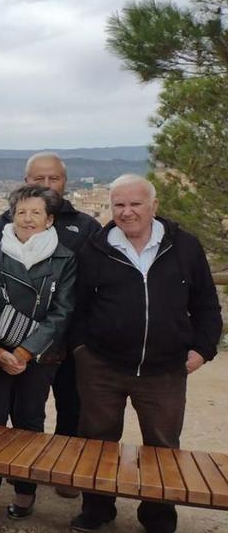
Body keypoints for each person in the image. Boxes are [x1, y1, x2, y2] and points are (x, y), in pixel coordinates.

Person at [67, 174, 222, 533]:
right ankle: (98, 509)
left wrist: (203, 348)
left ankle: (158, 516)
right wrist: (81, 351)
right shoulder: (94, 248)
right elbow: (78, 307)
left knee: (163, 445)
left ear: (154, 205)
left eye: (135, 203)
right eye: (119, 204)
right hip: (102, 365)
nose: (127, 212)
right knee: (98, 439)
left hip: (165, 369)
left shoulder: (184, 246)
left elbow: (206, 305)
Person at [0, 154, 99, 497]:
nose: (47, 185)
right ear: (26, 181)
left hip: (63, 340)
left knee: (62, 410)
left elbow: (88, 287)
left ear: (65, 181)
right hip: (4, 342)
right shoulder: (2, 227)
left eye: (55, 179)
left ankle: (58, 478)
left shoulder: (85, 225)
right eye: (39, 179)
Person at [0, 185, 76, 519]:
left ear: (50, 219)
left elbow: (62, 312)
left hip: (39, 356)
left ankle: (25, 489)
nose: (28, 219)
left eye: (36, 212)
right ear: (11, 216)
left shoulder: (64, 258)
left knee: (29, 420)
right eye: (21, 212)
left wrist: (25, 353)